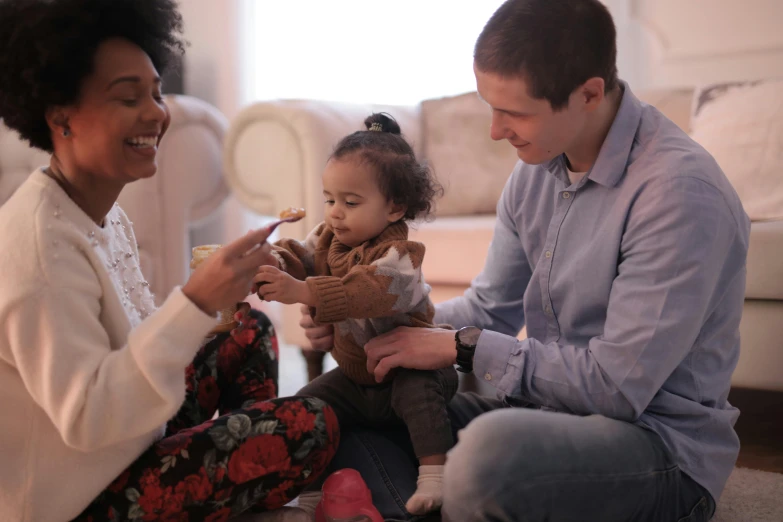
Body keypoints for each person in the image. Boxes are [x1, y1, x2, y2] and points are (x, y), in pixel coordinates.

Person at [299, 0, 751, 520]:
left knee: (488, 453)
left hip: (658, 449)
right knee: (347, 414)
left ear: (589, 94)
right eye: (489, 106)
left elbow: (616, 388)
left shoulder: (678, 194)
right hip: (540, 416)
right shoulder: (534, 171)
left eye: (514, 112)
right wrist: (370, 329)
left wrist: (459, 348)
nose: (495, 130)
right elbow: (491, 307)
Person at [0, 1, 339, 521]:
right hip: (79, 498)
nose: (157, 113)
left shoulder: (99, 211)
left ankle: (233, 494)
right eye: (128, 97)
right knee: (311, 423)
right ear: (60, 116)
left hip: (131, 442)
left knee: (246, 329)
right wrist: (196, 299)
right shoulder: (40, 245)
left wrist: (214, 297)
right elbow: (90, 418)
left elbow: (133, 348)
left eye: (156, 92)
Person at [254, 113, 456, 516]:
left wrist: (302, 291)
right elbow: (301, 256)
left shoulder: (402, 258)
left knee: (419, 395)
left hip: (404, 371)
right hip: (355, 379)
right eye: (329, 199)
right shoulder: (327, 238)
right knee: (306, 405)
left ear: (395, 207)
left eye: (350, 202)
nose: (335, 213)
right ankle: (312, 490)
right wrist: (271, 260)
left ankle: (435, 475)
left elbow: (366, 292)